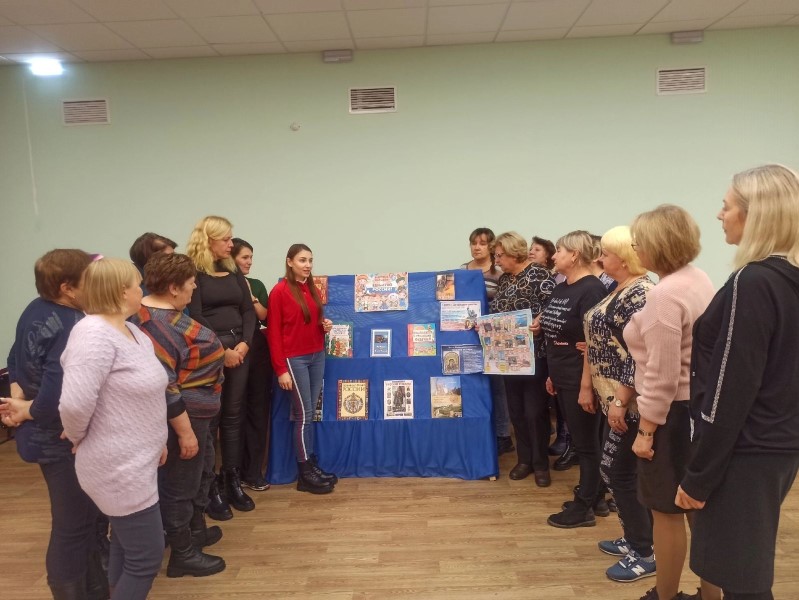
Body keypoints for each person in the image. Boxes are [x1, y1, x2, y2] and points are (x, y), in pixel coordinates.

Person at [675, 165, 799, 600]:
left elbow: (731, 387)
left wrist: (699, 475)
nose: (719, 215)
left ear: (754, 214)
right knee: (744, 570)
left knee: (744, 580)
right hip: (777, 445)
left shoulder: (755, 280)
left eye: (726, 206)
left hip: (745, 450)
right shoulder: (786, 279)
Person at [59, 258, 169, 600]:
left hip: (138, 461)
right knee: (146, 555)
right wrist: (77, 436)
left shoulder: (132, 331)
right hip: (117, 467)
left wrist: (158, 441)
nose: (142, 291)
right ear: (122, 291)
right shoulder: (92, 334)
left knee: (125, 545)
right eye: (138, 285)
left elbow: (145, 396)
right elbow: (74, 404)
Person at [0, 249, 107, 600]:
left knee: (84, 520)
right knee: (73, 525)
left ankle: (95, 589)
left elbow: (13, 357)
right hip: (60, 438)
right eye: (88, 280)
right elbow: (59, 396)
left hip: (44, 433)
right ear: (67, 287)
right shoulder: (73, 325)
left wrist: (18, 398)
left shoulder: (36, 307)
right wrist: (28, 410)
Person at [625, 205, 719, 600]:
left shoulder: (664, 295)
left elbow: (661, 376)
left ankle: (666, 596)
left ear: (657, 245)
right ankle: (711, 594)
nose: (635, 249)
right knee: (696, 506)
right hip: (694, 407)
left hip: (670, 415)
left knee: (665, 512)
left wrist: (646, 431)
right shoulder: (697, 278)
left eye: (638, 243)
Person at [131, 252, 226, 578]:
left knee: (199, 475)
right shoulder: (152, 324)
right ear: (173, 287)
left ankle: (194, 533)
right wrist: (185, 432)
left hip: (198, 412)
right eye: (191, 282)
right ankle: (182, 554)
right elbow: (166, 385)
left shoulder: (165, 314)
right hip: (183, 417)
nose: (194, 287)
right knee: (179, 484)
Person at [581, 226, 656, 582]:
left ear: (624, 259)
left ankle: (645, 551)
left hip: (631, 401)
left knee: (617, 471)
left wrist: (621, 401)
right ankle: (637, 537)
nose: (599, 259)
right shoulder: (619, 287)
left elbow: (641, 354)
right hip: (616, 397)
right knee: (616, 470)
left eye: (605, 253)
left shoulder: (641, 293)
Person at [535, 230, 608, 528]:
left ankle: (583, 507)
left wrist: (586, 387)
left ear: (575, 255)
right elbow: (557, 334)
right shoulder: (562, 287)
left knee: (587, 445)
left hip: (581, 379)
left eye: (560, 251)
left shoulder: (591, 290)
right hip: (562, 375)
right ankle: (596, 497)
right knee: (582, 440)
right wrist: (552, 374)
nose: (554, 256)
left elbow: (594, 343)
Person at [186, 216, 256, 519]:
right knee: (211, 418)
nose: (231, 244)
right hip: (211, 352)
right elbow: (195, 315)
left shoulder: (233, 271)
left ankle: (231, 478)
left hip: (240, 349)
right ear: (208, 240)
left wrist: (245, 344)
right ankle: (210, 486)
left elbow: (248, 310)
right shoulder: (194, 273)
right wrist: (222, 350)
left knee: (233, 414)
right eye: (225, 239)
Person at [267, 243, 336, 494]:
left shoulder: (311, 287)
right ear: (289, 262)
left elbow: (308, 322)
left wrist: (324, 326)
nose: (307, 265)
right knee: (304, 415)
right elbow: (274, 333)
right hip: (294, 359)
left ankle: (311, 463)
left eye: (310, 260)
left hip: (317, 355)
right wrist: (280, 370)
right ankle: (304, 474)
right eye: (302, 260)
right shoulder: (279, 291)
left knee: (309, 413)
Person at [490, 232, 555, 488]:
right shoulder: (505, 279)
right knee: (516, 411)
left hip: (535, 355)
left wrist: (541, 322)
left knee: (535, 412)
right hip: (508, 357)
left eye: (499, 256)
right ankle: (524, 460)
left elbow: (554, 307)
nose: (496, 261)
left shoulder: (540, 275)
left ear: (513, 253)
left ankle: (540, 464)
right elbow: (496, 311)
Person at [460, 227, 512, 455]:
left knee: (498, 386)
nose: (477, 247)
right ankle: (475, 429)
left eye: (482, 243)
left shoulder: (500, 273)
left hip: (493, 337)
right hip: (466, 336)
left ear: (491, 246)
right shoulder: (461, 271)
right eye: (473, 243)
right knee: (471, 382)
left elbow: (505, 305)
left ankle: (503, 434)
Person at [232, 237, 273, 491]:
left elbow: (266, 318)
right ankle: (232, 473)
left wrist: (251, 296)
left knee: (258, 410)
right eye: (244, 257)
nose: (249, 262)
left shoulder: (256, 284)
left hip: (257, 348)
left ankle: (253, 472)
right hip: (233, 348)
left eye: (251, 257)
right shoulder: (222, 285)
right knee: (234, 412)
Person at [528, 235, 570, 459]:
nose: (531, 252)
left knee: (562, 399)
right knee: (552, 396)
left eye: (537, 249)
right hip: (549, 347)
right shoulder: (554, 277)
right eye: (530, 248)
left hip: (561, 349)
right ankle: (559, 434)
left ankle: (565, 437)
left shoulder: (558, 280)